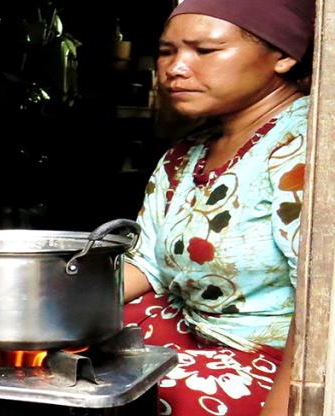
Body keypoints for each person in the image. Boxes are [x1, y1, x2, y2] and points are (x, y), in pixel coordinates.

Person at [122, 0, 314, 414]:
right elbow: (147, 263)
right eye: (167, 51)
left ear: (283, 57)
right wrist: (37, 307)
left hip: (278, 361)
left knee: (155, 388)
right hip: (201, 335)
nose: (175, 68)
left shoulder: (304, 147)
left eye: (205, 51)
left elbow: (319, 308)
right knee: (87, 345)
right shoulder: (186, 153)